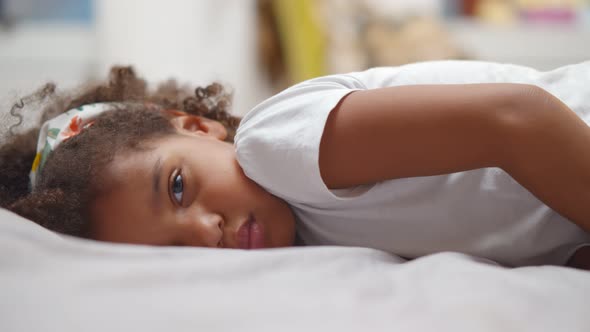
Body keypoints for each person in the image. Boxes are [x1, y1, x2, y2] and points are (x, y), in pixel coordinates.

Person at [1, 61, 589, 269]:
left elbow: (516, 119)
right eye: (173, 253)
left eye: (177, 188)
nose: (205, 233)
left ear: (199, 127)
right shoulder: (310, 242)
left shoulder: (276, 145)